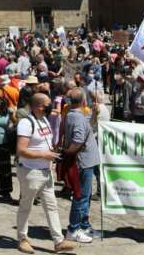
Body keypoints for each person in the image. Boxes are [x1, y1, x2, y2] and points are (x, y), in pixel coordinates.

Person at [15, 93, 75, 254]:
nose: (52, 106)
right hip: (30, 171)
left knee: (52, 206)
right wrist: (44, 155)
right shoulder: (26, 123)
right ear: (39, 106)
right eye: (48, 104)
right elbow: (21, 150)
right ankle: (22, 238)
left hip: (45, 171)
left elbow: (45, 143)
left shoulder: (44, 120)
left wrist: (53, 153)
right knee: (26, 206)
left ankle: (58, 241)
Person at [62, 88, 100, 244]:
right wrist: (68, 154)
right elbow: (78, 139)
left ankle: (84, 225)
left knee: (85, 196)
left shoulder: (75, 115)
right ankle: (73, 229)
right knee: (80, 197)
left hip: (86, 161)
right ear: (84, 101)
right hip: (83, 162)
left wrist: (95, 115)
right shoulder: (76, 117)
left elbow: (86, 128)